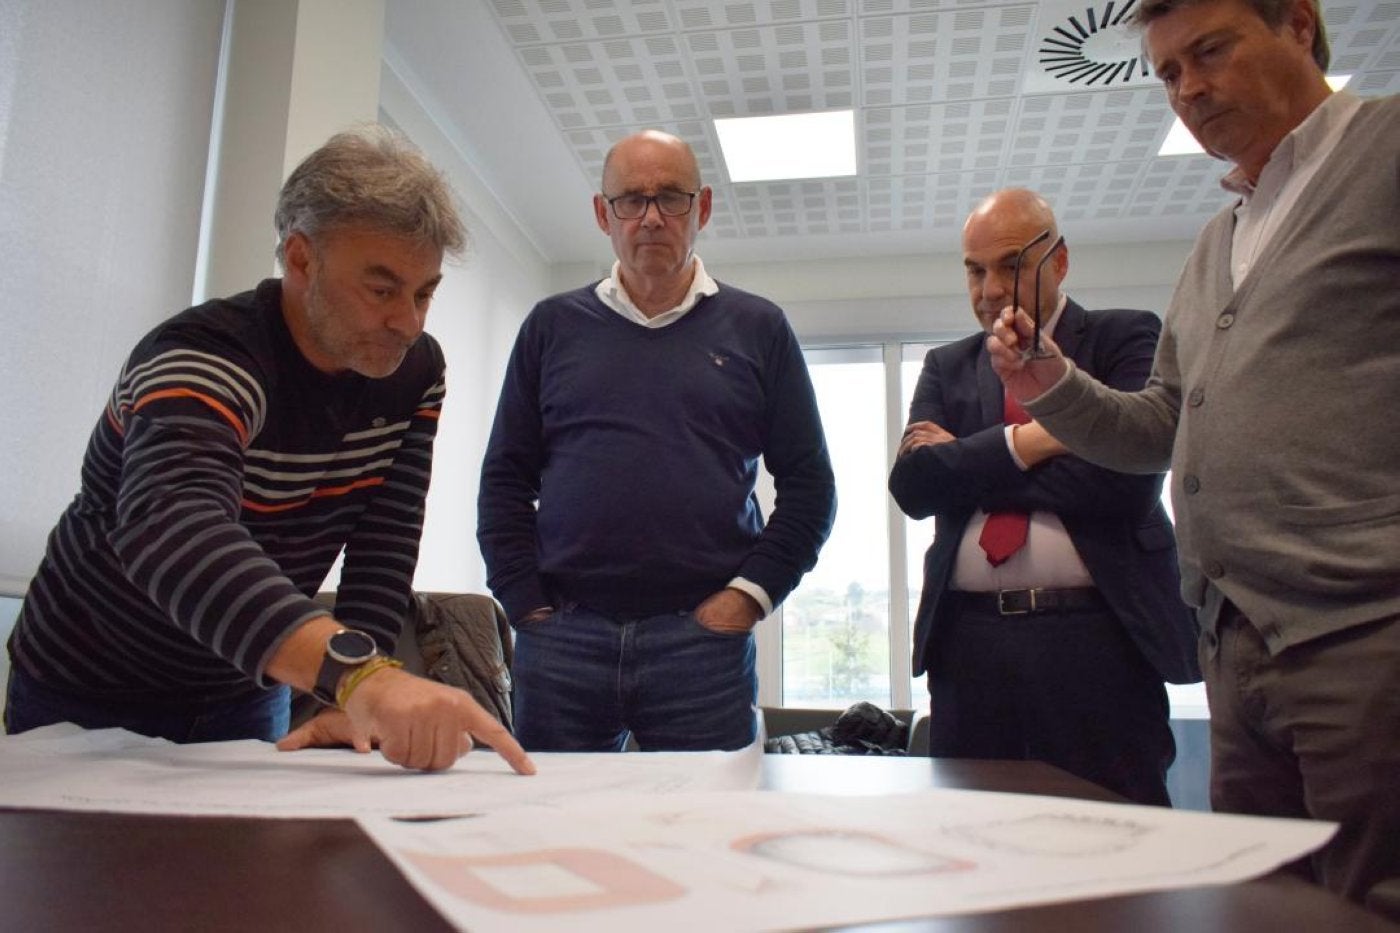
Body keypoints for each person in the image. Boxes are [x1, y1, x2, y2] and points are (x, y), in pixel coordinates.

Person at [986, 0, 1399, 907]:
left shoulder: (1386, 148)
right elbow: (1158, 425)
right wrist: (1052, 379)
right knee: (1267, 901)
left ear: (1298, 25)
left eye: (1211, 51)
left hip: (1364, 633)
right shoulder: (1220, 239)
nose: (1190, 89)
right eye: (1170, 72)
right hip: (1234, 639)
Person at [4, 127, 533, 776]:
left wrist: (351, 687)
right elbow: (174, 529)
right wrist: (357, 674)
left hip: (243, 684)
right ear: (301, 259)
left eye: (424, 292)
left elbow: (383, 538)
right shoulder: (205, 356)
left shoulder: (414, 372)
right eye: (382, 289)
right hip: (88, 679)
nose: (409, 321)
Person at [477, 129, 836, 753]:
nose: (650, 217)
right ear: (601, 214)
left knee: (703, 836)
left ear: (702, 209)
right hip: (563, 642)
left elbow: (811, 487)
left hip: (702, 648)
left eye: (670, 198)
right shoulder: (551, 327)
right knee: (554, 836)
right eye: (630, 200)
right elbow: (506, 478)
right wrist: (524, 601)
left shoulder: (760, 329)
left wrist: (745, 601)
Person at [888, 188, 1199, 806]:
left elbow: (1122, 485)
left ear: (1058, 261)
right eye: (975, 270)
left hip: (1098, 639)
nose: (991, 288)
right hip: (967, 648)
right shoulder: (947, 365)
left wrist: (967, 455)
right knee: (975, 836)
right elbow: (915, 488)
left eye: (1010, 265)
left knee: (1113, 830)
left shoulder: (1125, 338)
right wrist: (1036, 441)